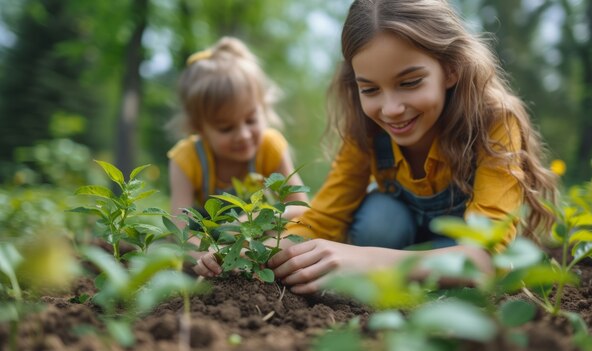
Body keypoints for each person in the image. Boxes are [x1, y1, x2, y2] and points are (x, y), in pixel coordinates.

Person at [267, 0, 559, 294]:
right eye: (370, 89)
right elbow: (323, 219)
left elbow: (487, 257)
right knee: (380, 220)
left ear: (450, 69)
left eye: (410, 83)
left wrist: (365, 259)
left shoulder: (493, 123)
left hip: (457, 248)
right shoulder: (367, 130)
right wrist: (253, 252)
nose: (391, 109)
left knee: (466, 273)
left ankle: (411, 279)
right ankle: (406, 279)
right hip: (397, 241)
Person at [167, 36, 308, 265]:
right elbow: (180, 230)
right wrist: (207, 258)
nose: (243, 135)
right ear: (199, 128)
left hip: (259, 232)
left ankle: (258, 263)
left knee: (293, 238)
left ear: (263, 108)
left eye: (251, 120)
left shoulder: (269, 147)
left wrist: (253, 223)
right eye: (226, 128)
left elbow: (300, 208)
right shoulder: (186, 159)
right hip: (208, 238)